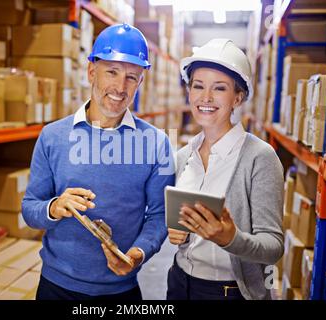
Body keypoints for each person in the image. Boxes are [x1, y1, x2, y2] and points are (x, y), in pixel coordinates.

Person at [22, 23, 175, 300]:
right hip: (56, 287)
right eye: (112, 72)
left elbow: (159, 216)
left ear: (140, 82)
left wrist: (138, 253)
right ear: (92, 71)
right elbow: (30, 208)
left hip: (121, 291)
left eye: (131, 77)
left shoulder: (156, 143)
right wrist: (55, 207)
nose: (120, 87)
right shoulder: (53, 136)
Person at [166, 39, 284, 300]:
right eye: (198, 86)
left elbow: (274, 247)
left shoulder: (260, 157)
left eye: (219, 88)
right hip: (179, 283)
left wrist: (230, 238)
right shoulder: (184, 156)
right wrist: (177, 231)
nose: (205, 98)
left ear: (238, 97)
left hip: (230, 293)